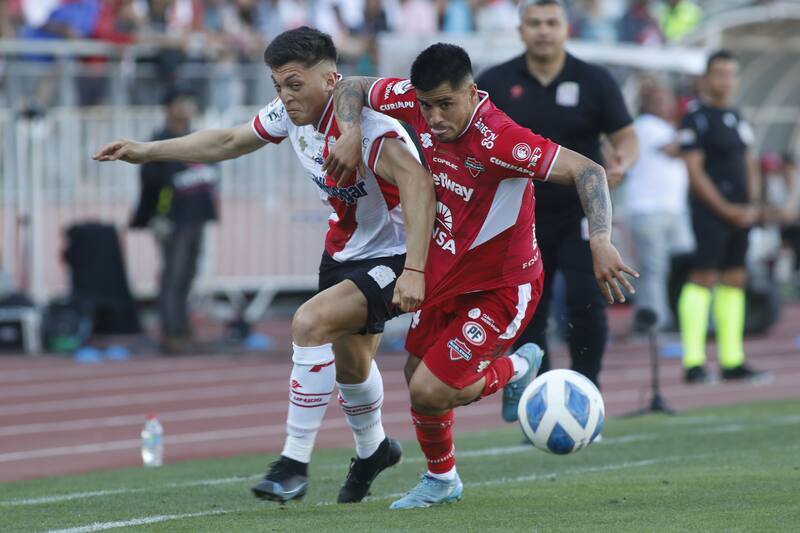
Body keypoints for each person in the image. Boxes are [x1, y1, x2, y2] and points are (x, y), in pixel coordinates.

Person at [94, 26, 436, 504]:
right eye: (278, 85)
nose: (285, 96)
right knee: (351, 364)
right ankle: (373, 449)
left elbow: (419, 184)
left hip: (396, 253)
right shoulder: (291, 116)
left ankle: (293, 463)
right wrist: (148, 150)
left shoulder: (370, 129)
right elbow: (230, 140)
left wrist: (416, 269)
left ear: (330, 79)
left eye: (295, 84)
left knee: (309, 322)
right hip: (344, 250)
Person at [325, 42, 636, 508]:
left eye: (445, 104)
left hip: (501, 288)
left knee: (431, 388)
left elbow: (587, 170)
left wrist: (600, 238)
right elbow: (350, 86)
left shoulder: (500, 139)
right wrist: (350, 132)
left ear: (471, 92)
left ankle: (515, 367)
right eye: (426, 106)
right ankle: (442, 480)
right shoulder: (415, 98)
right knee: (416, 376)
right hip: (445, 273)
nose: (432, 118)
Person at [475, 0, 639, 388]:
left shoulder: (595, 80)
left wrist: (622, 164)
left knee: (587, 304)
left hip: (581, 214)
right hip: (517, 218)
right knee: (527, 311)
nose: (544, 30)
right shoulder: (495, 81)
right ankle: (537, 394)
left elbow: (626, 137)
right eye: (535, 23)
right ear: (520, 30)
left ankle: (586, 392)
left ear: (567, 28)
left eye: (552, 22)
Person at [676, 50, 767, 384]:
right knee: (703, 277)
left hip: (742, 212)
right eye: (720, 73)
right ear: (706, 78)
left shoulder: (736, 116)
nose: (726, 81)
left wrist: (753, 203)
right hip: (711, 212)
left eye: (731, 74)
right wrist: (726, 208)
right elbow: (694, 172)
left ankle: (732, 360)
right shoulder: (695, 118)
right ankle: (693, 362)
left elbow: (749, 161)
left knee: (735, 278)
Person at [129, 90, 219, 355]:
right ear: (169, 108)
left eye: (189, 102)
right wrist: (156, 216)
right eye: (181, 103)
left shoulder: (198, 137)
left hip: (197, 216)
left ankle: (183, 328)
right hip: (173, 220)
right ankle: (171, 332)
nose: (187, 108)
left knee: (189, 274)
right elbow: (150, 183)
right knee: (174, 275)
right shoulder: (158, 143)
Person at [624, 80, 692, 331]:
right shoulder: (644, 125)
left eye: (666, 99)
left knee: (682, 262)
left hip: (672, 209)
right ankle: (654, 321)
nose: (664, 104)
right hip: (648, 209)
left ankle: (672, 313)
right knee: (654, 268)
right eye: (656, 100)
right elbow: (675, 149)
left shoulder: (665, 126)